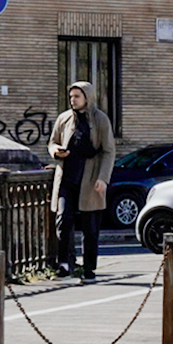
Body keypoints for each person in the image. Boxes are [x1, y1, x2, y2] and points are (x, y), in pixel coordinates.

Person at [47, 81, 115, 283]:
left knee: (90, 227)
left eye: (77, 96)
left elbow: (109, 151)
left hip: (90, 178)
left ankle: (89, 268)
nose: (73, 100)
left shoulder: (100, 119)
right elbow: (52, 142)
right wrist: (56, 151)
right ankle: (64, 264)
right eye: (71, 96)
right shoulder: (64, 119)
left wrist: (103, 178)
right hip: (66, 177)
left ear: (87, 97)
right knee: (63, 219)